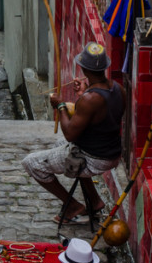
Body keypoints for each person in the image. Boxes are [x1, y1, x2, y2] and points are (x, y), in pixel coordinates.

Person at [22, 42, 126, 223]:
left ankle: (72, 206)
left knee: (32, 163)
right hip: (111, 152)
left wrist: (60, 105)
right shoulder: (118, 88)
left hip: (94, 157)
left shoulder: (90, 100)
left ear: (84, 68)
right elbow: (101, 114)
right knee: (59, 146)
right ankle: (94, 201)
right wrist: (84, 95)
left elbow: (70, 133)